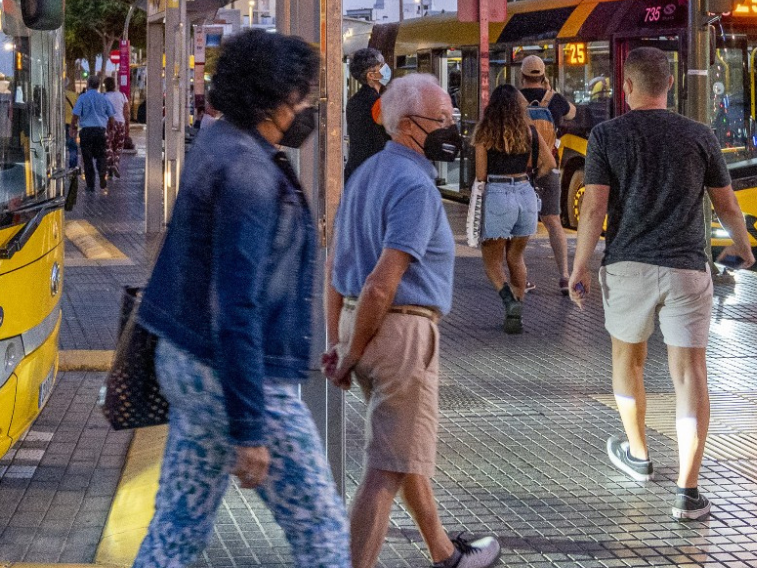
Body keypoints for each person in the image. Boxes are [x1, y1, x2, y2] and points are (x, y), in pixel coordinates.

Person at [131, 30, 348, 568]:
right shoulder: (249, 172)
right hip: (237, 374)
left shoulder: (219, 144)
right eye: (301, 95)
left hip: (187, 361)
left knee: (179, 522)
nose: (306, 107)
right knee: (320, 524)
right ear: (271, 99)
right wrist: (250, 427)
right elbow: (237, 302)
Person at [567, 47, 755, 522]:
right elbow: (727, 205)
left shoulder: (607, 135)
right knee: (690, 373)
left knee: (627, 360)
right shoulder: (699, 135)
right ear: (669, 84)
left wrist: (579, 265)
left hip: (628, 266)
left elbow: (594, 208)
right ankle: (688, 491)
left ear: (626, 88)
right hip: (688, 268)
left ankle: (638, 454)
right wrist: (745, 248)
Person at [326, 73, 500, 568]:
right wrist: (351, 353)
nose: (452, 128)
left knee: (402, 451)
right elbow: (383, 282)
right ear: (409, 125)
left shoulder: (365, 175)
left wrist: (338, 341)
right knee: (385, 468)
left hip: (361, 325)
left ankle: (445, 553)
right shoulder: (415, 186)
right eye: (442, 120)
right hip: (398, 332)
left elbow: (335, 272)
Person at [472, 84, 547, 333]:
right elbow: (548, 164)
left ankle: (509, 302)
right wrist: (526, 176)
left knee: (492, 262)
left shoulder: (484, 133)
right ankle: (518, 312)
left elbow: (481, 176)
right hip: (525, 195)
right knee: (516, 257)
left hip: (498, 193)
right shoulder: (529, 132)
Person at [516, 58, 574, 297]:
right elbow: (572, 113)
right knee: (553, 222)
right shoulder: (555, 100)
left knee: (521, 225)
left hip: (520, 168)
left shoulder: (514, 98)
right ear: (543, 75)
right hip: (548, 167)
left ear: (522, 75)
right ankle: (564, 277)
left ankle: (522, 279)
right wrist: (550, 91)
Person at [345, 47, 391, 179]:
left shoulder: (354, 101)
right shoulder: (376, 103)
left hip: (356, 170)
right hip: (373, 173)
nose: (385, 68)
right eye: (381, 66)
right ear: (371, 75)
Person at [73, 76, 113, 194]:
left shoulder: (82, 98)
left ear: (88, 84)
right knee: (101, 156)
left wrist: (72, 127)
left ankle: (90, 186)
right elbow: (111, 117)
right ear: (98, 85)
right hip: (100, 131)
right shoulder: (104, 98)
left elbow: (75, 115)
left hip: (86, 132)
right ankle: (102, 178)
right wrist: (110, 130)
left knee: (87, 159)